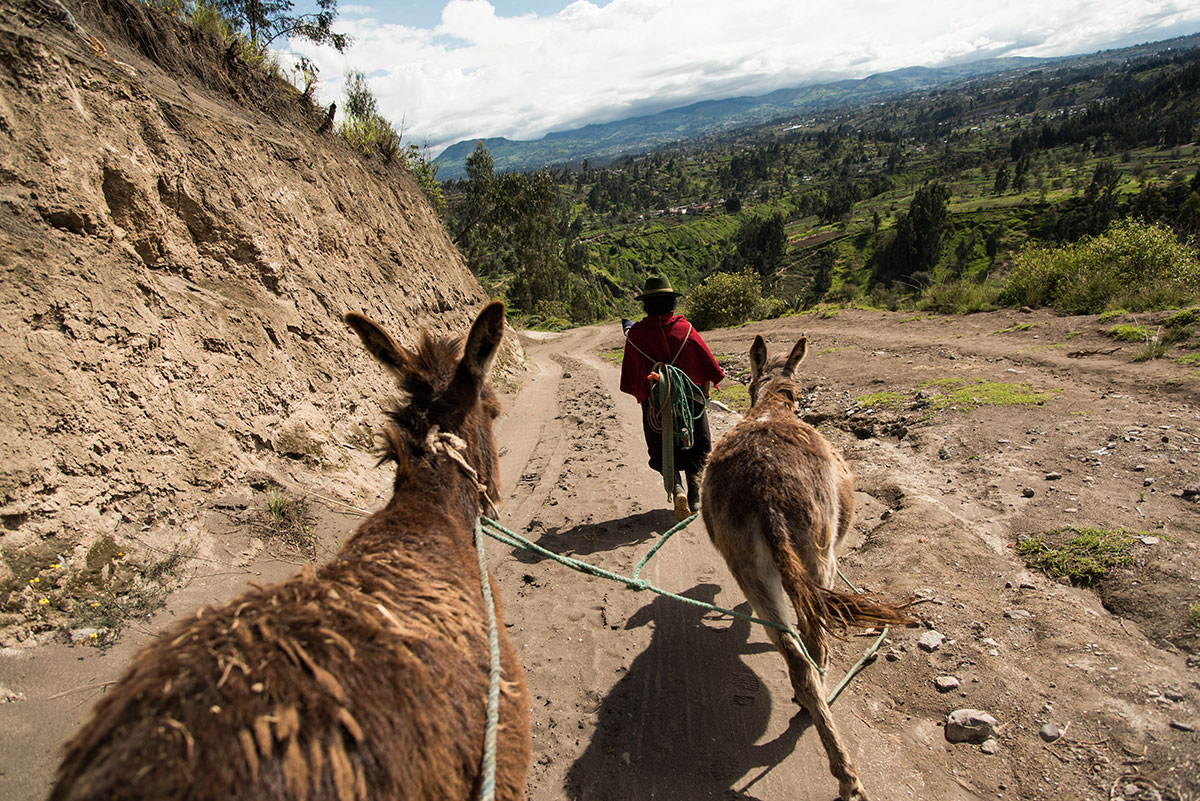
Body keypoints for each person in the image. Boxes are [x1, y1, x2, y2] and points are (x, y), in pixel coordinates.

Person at [620, 275, 725, 520]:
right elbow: (706, 364)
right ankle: (695, 496)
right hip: (690, 402)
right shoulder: (685, 329)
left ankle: (675, 486)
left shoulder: (635, 335)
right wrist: (705, 393)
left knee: (660, 446)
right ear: (671, 303)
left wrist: (646, 395)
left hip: (657, 404)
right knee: (699, 446)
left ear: (646, 305)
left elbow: (634, 376)